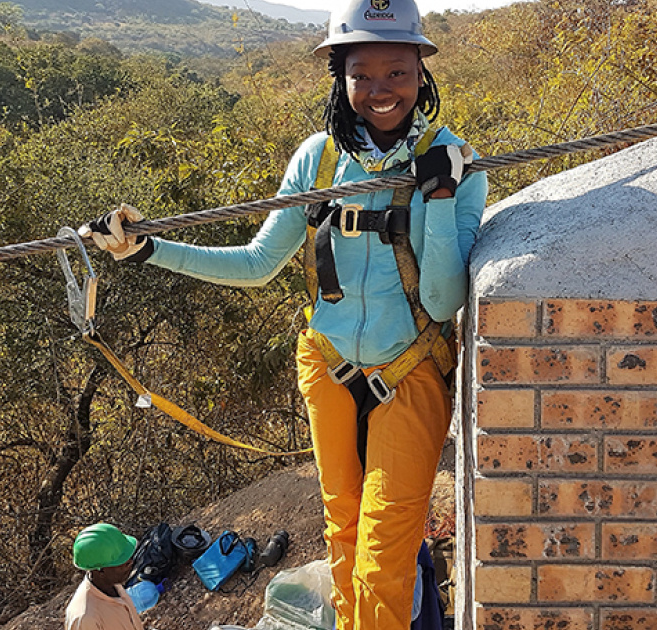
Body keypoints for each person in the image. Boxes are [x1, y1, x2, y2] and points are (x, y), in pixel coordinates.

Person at [82, 0, 487, 628]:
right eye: (362, 74)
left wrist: (438, 195)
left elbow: (440, 300)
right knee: (343, 531)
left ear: (421, 74)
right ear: (340, 76)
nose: (381, 90)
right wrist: (147, 250)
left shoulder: (454, 161)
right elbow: (255, 263)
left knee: (384, 551)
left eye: (398, 72)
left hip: (411, 372)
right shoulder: (319, 160)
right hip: (327, 367)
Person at [65, 523, 144, 630]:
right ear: (101, 571)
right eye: (122, 562)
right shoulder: (86, 618)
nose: (130, 563)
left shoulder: (113, 586)